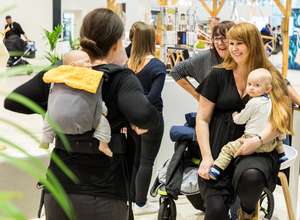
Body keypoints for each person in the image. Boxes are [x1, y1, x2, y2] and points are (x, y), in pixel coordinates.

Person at [4, 8, 161, 220]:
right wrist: (125, 117)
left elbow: (13, 101)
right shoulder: (120, 78)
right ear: (116, 43)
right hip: (105, 190)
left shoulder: (61, 73)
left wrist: (59, 111)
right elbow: (147, 116)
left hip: (59, 187)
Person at [196, 22, 293, 219]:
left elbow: (281, 118)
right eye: (231, 43)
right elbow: (202, 119)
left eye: (239, 43)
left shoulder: (270, 76)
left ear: (253, 44)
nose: (233, 48)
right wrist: (206, 157)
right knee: (215, 211)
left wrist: (257, 140)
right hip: (220, 151)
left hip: (259, 149)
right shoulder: (218, 74)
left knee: (251, 177)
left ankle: (247, 211)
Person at [208, 68, 288, 180]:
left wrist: (235, 116)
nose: (251, 87)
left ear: (268, 88)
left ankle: (216, 169)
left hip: (251, 141)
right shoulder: (270, 101)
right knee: (279, 136)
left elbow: (241, 119)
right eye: (249, 84)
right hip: (270, 144)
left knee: (228, 149)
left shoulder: (253, 102)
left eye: (257, 85)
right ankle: (282, 154)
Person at [40, 50, 113, 157]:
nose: (90, 64)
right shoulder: (90, 79)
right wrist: (104, 111)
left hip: (57, 120)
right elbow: (96, 101)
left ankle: (45, 140)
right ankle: (103, 144)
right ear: (73, 66)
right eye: (86, 62)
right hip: (85, 121)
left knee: (49, 117)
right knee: (103, 123)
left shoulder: (57, 78)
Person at [127, 21, 166, 215]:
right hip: (151, 119)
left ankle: (134, 198)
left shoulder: (129, 64)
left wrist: (133, 119)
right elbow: (153, 97)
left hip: (132, 120)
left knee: (135, 160)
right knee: (146, 161)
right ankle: (141, 203)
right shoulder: (157, 65)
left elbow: (125, 95)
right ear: (151, 40)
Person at [170, 21, 235, 100]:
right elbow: (176, 71)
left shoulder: (241, 59)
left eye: (224, 38)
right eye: (216, 39)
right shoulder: (205, 57)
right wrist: (197, 96)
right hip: (212, 111)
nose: (220, 43)